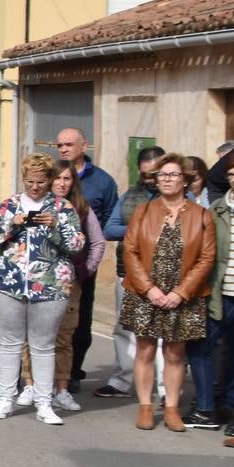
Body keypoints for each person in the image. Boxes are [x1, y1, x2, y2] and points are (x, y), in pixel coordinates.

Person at [0, 153, 86, 425]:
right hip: (9, 283)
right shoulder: (10, 204)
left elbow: (76, 246)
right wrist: (11, 224)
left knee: (43, 346)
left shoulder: (63, 208)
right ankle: (5, 399)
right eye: (30, 181)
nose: (35, 187)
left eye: (40, 181)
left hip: (50, 285)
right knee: (9, 343)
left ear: (50, 180)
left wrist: (56, 227)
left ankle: (44, 403)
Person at [119, 154, 214, 431]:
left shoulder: (201, 215)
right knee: (145, 350)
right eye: (162, 175)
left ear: (185, 180)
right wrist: (149, 289)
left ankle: (171, 408)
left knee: (175, 354)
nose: (167, 179)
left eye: (173, 175)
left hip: (184, 296)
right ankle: (145, 407)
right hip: (145, 292)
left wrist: (181, 292)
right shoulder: (144, 211)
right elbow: (131, 250)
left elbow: (206, 258)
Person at [19, 161, 105, 413]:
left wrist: (86, 269)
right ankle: (30, 385)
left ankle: (62, 389)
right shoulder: (30, 205)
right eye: (57, 178)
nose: (61, 183)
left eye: (67, 179)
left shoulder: (81, 209)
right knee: (30, 336)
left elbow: (98, 242)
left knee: (64, 336)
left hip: (68, 283)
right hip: (34, 280)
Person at [95, 146, 166, 399]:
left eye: (156, 173)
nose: (151, 179)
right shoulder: (129, 196)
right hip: (129, 273)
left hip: (164, 275)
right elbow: (109, 229)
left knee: (161, 332)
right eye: (146, 174)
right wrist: (143, 228)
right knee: (125, 328)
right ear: (139, 170)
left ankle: (164, 388)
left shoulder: (176, 197)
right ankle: (121, 382)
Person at [54, 128, 119, 392]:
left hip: (81, 271)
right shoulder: (50, 174)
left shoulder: (103, 182)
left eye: (69, 144)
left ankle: (71, 374)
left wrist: (89, 267)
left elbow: (104, 227)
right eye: (59, 145)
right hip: (47, 274)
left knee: (78, 325)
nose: (63, 149)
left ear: (85, 145)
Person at [204, 162, 234, 439]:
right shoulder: (216, 209)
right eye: (232, 174)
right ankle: (209, 405)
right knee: (203, 349)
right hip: (219, 292)